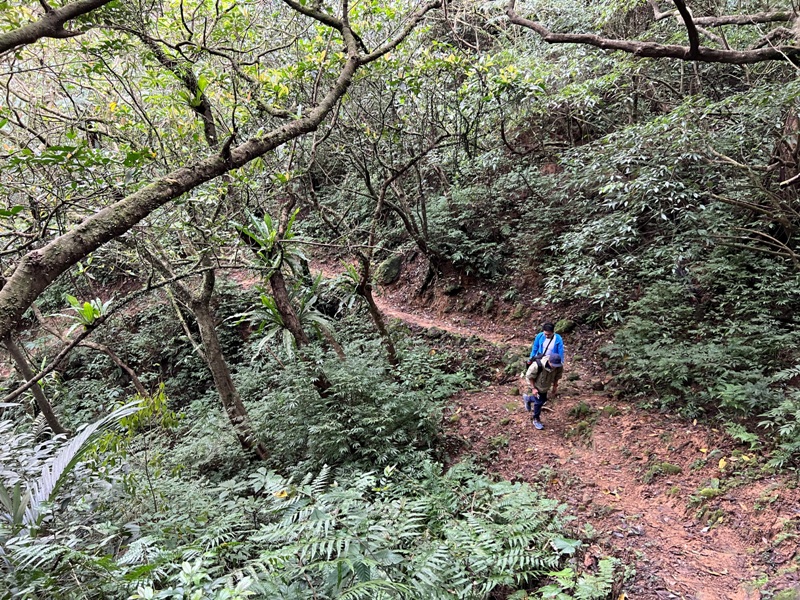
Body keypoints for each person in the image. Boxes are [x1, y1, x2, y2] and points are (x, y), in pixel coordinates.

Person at [523, 353, 563, 430]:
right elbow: (530, 376)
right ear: (549, 361)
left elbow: (557, 376)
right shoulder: (537, 365)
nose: (554, 367)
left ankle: (528, 399)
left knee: (543, 399)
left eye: (556, 366)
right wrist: (533, 388)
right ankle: (536, 419)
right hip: (536, 384)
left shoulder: (558, 366)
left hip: (546, 386)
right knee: (539, 403)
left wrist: (555, 386)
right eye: (553, 365)